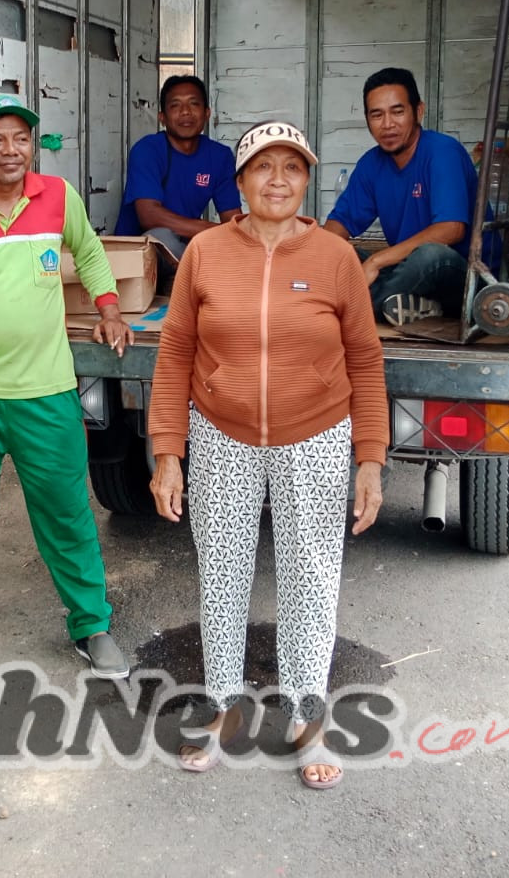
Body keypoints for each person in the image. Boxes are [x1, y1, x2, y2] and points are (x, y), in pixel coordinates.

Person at [147, 119, 389, 790]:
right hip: (221, 433)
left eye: (292, 167)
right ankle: (222, 706)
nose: (277, 179)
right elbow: (175, 352)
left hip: (315, 434)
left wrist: (369, 456)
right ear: (241, 179)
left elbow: (366, 361)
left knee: (312, 580)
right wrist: (168, 450)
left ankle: (308, 720)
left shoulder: (335, 258)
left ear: (308, 179)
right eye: (263, 166)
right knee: (220, 574)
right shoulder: (207, 252)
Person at [0, 94, 134, 692]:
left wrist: (110, 306)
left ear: (32, 144)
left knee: (67, 515)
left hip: (46, 393)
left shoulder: (58, 199)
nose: (10, 150)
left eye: (21, 138)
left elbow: (89, 253)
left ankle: (92, 625)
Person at [324, 67, 478, 324]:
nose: (387, 124)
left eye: (397, 111)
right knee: (342, 256)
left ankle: (345, 310)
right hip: (404, 268)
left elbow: (451, 230)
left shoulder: (442, 151)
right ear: (367, 119)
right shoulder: (371, 164)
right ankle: (407, 306)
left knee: (430, 255)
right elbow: (338, 225)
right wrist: (311, 258)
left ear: (418, 111)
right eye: (377, 115)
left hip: (460, 272)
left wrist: (376, 261)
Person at [113, 75, 243, 259]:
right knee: (162, 237)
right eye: (175, 105)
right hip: (137, 253)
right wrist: (213, 231)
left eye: (194, 104)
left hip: (186, 243)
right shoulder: (148, 150)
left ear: (207, 113)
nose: (185, 112)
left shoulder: (219, 156)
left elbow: (232, 219)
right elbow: (149, 216)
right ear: (162, 117)